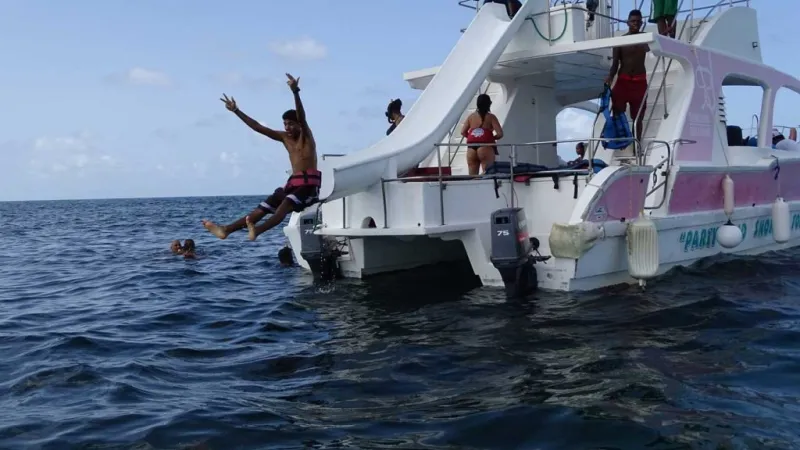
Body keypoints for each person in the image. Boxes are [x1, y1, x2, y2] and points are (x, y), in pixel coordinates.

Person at [202, 73, 320, 242]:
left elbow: (302, 115)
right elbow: (257, 127)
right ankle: (226, 230)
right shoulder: (285, 138)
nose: (287, 127)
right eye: (285, 124)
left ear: (299, 125)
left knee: (285, 204)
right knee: (263, 208)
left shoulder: (306, 137)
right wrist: (236, 110)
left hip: (308, 188)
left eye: (290, 124)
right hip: (293, 185)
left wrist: (295, 92)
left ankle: (258, 230)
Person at [604, 9, 649, 151]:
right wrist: (610, 77)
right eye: (633, 21)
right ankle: (621, 140)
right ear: (628, 22)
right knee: (617, 111)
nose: (636, 23)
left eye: (638, 21)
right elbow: (615, 63)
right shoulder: (620, 41)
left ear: (642, 23)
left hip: (640, 83)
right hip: (623, 81)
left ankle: (637, 144)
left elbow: (654, 47)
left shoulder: (646, 38)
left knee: (638, 117)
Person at [461, 94, 504, 175]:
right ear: (489, 104)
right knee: (487, 174)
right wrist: (490, 138)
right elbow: (500, 134)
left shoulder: (471, 117)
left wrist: (474, 137)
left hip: (471, 149)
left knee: (472, 177)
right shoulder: (491, 117)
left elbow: (463, 132)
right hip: (485, 147)